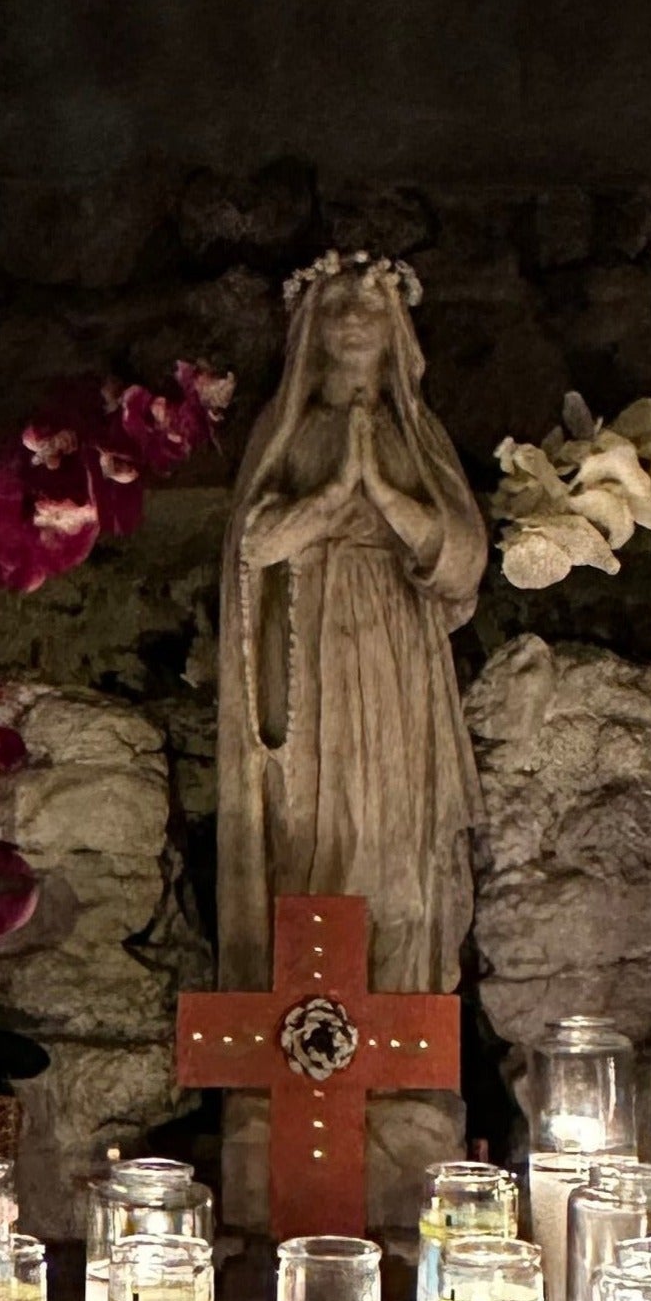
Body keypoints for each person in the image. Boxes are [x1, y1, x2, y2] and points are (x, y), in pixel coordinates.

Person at [216, 253, 485, 1215]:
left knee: (399, 857)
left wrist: (385, 492)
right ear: (312, 332)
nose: (353, 321)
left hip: (397, 666)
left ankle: (401, 1080)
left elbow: (460, 558)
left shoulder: (417, 433)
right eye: (337, 307)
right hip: (310, 670)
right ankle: (298, 1071)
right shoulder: (290, 431)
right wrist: (334, 498)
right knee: (314, 845)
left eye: (371, 308)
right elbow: (252, 547)